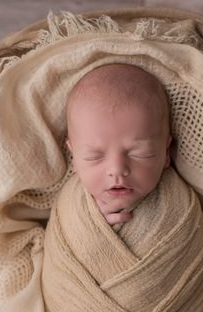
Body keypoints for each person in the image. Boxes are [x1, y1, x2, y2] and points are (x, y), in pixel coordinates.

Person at [64, 63, 174, 225]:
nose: (117, 169)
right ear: (73, 157)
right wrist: (85, 225)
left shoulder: (177, 199)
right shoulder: (70, 204)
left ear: (166, 153)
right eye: (93, 156)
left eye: (141, 153)